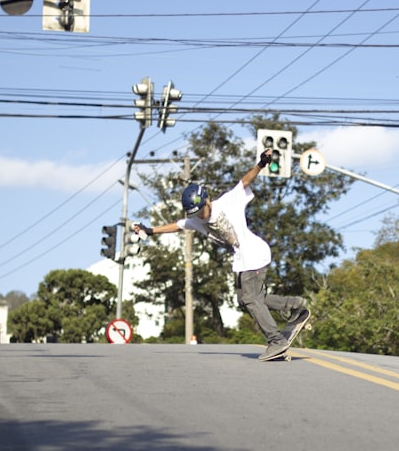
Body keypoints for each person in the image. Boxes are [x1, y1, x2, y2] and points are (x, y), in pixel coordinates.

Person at [133, 149, 310, 361]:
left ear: (207, 200)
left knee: (251, 299)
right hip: (242, 260)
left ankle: (276, 341)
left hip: (254, 254)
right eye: (196, 214)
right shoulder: (195, 220)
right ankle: (293, 304)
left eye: (202, 210)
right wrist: (150, 230)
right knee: (246, 300)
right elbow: (177, 226)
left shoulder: (227, 202)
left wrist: (261, 164)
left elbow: (244, 181)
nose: (201, 215)